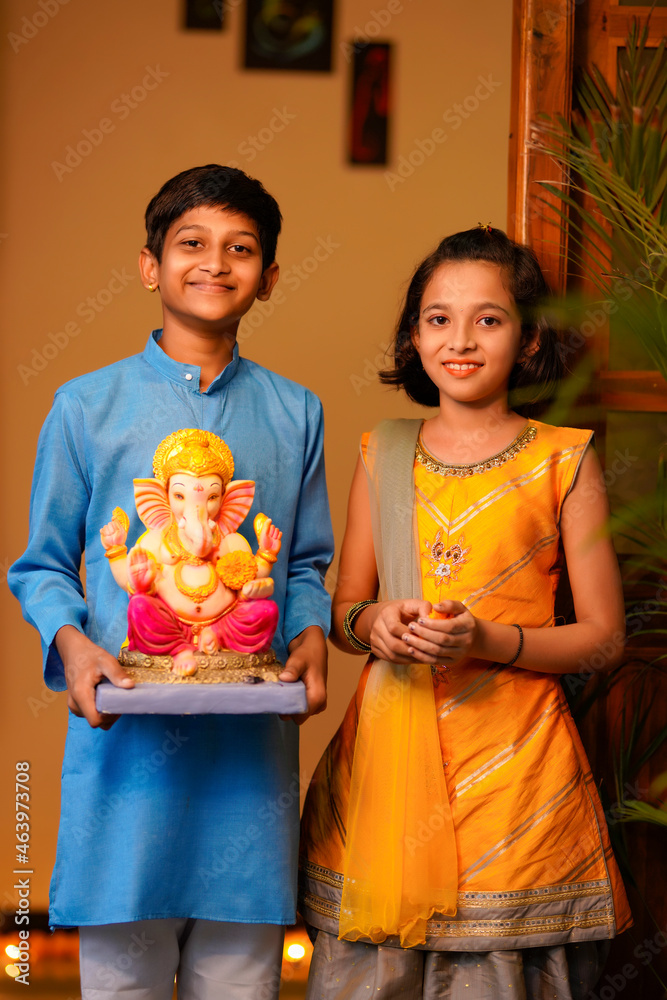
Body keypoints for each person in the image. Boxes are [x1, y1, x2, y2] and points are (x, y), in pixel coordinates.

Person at [9, 164, 334, 1000]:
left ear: (267, 277)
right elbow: (42, 564)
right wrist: (74, 647)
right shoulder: (85, 407)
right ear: (150, 264)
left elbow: (302, 563)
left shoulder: (295, 412)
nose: (215, 263)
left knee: (242, 979)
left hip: (247, 757)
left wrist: (307, 638)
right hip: (126, 753)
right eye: (191, 243)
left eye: (241, 249)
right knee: (123, 980)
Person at [298, 226, 631, 999]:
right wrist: (372, 626)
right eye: (437, 318)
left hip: (518, 781)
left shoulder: (563, 458)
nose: (460, 339)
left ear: (528, 339)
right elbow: (345, 609)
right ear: (412, 338)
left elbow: (603, 639)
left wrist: (487, 639)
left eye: (488, 319)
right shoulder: (380, 451)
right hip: (385, 774)